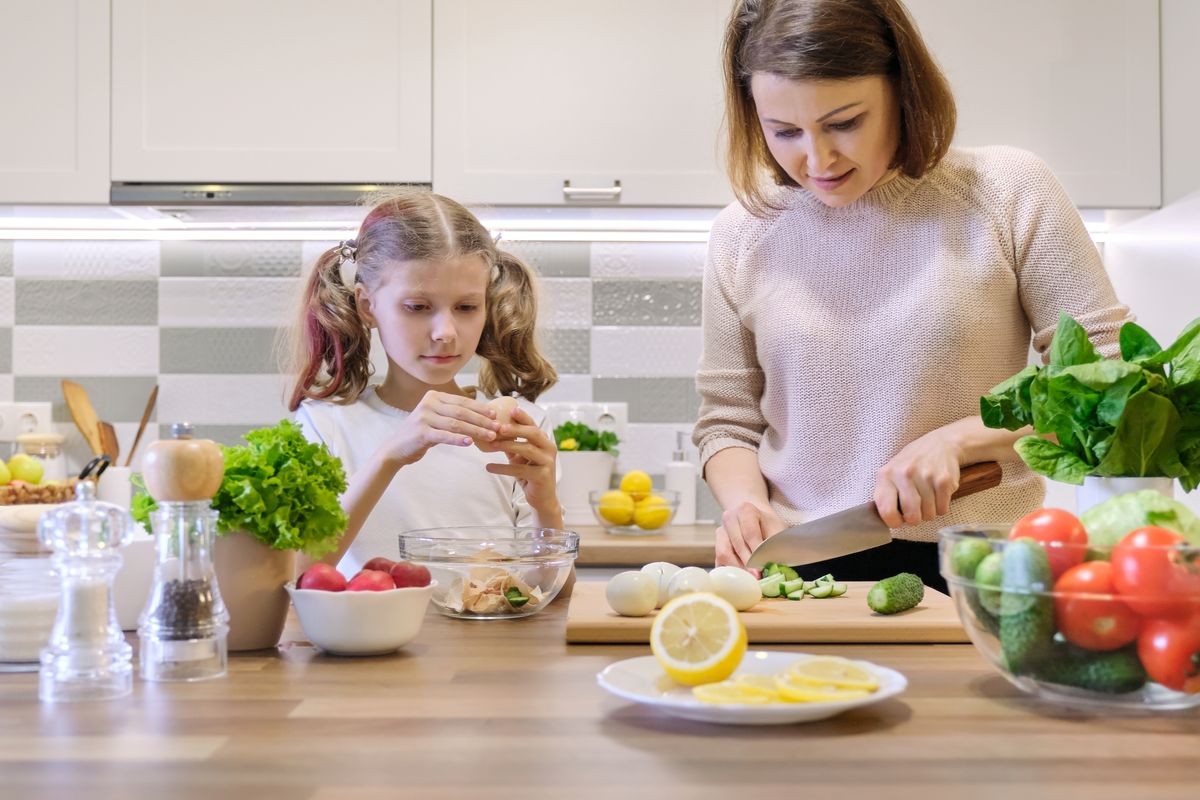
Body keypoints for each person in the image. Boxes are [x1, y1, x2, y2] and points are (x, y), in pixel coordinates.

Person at [695, 0, 1133, 590]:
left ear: (904, 90)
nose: (817, 159)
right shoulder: (741, 232)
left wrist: (963, 440)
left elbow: (1110, 383)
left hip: (982, 569)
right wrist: (744, 504)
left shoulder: (1007, 193)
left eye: (844, 122)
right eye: (785, 132)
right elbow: (727, 422)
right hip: (794, 575)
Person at [287, 190, 562, 574]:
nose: (446, 332)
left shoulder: (521, 425)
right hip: (362, 635)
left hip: (482, 636)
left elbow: (552, 591)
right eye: (418, 307)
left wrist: (546, 506)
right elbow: (297, 576)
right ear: (368, 306)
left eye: (467, 307)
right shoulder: (325, 425)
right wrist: (389, 456)